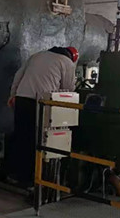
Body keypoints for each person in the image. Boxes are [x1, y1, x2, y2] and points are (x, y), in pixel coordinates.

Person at [8, 46, 79, 187]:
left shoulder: (37, 55)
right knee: (38, 140)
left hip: (22, 98)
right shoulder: (66, 62)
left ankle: (16, 175)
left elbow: (18, 76)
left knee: (21, 136)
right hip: (42, 102)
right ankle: (32, 179)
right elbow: (68, 89)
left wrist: (13, 95)